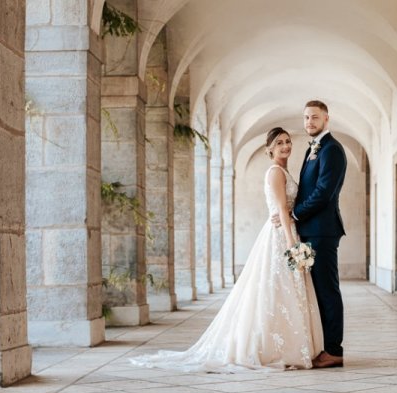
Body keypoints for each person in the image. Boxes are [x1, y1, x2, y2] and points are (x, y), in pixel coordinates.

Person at [130, 127, 323, 372]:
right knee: (275, 288)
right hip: (280, 236)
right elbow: (282, 212)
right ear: (270, 149)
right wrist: (290, 242)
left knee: (282, 290)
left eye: (287, 141)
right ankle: (273, 347)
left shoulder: (284, 170)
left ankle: (288, 344)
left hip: (287, 230)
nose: (285, 146)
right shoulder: (275, 172)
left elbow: (288, 210)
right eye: (279, 143)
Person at [273, 100, 347, 369]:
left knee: (328, 290)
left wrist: (293, 215)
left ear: (326, 119)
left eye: (315, 117)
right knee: (316, 291)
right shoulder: (313, 148)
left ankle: (334, 350)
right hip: (310, 229)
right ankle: (321, 347)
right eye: (306, 118)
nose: (309, 122)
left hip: (323, 231)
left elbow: (324, 192)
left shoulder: (332, 150)